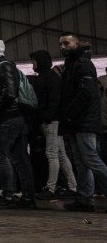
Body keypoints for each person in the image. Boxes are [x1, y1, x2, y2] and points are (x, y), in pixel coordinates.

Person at [0, 40, 36, 209]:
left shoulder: (3, 66)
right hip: (17, 118)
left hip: (8, 119)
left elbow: (10, 92)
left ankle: (7, 196)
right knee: (20, 158)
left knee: (0, 156)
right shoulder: (6, 66)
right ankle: (28, 197)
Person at [58, 34, 107, 212]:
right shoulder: (72, 64)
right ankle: (85, 199)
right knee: (81, 162)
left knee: (91, 160)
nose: (63, 46)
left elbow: (86, 94)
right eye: (61, 44)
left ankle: (86, 198)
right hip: (76, 121)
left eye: (66, 43)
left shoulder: (83, 64)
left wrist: (69, 113)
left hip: (84, 121)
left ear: (76, 44)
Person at [29, 50, 77, 200]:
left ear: (40, 61)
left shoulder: (48, 77)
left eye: (34, 61)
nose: (32, 64)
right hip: (52, 120)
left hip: (51, 121)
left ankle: (51, 188)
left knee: (51, 154)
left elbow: (54, 100)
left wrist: (47, 116)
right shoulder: (50, 76)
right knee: (61, 155)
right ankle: (72, 186)